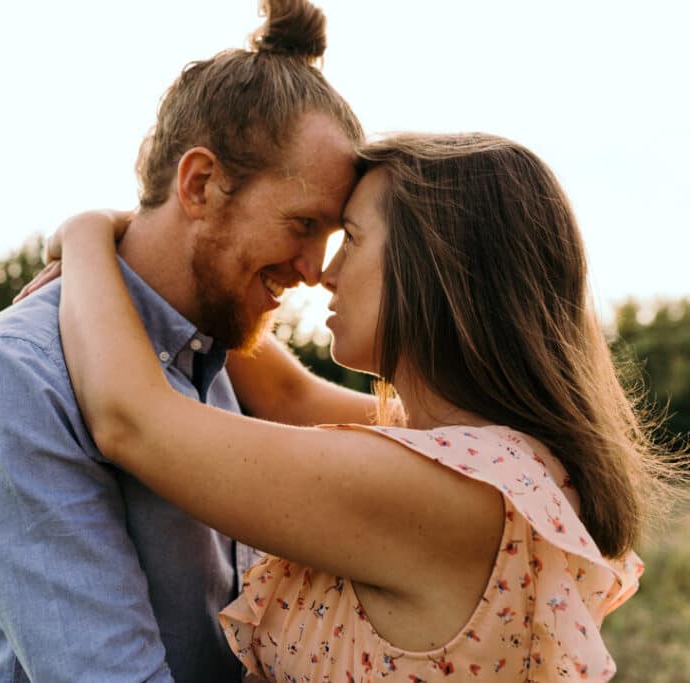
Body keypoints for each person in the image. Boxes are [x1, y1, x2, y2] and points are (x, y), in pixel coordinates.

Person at [47, 133, 685, 681]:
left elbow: (132, 423)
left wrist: (86, 234)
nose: (324, 272)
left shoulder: (447, 492)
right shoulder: (493, 463)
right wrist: (184, 249)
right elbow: (283, 395)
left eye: (351, 237)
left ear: (437, 267)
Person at [0, 1, 368, 680]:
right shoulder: (18, 371)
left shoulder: (220, 359)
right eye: (303, 224)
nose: (314, 270)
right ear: (199, 185)